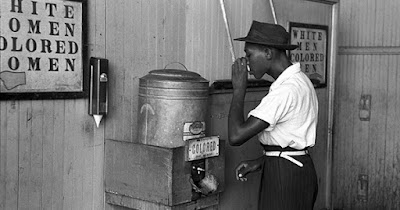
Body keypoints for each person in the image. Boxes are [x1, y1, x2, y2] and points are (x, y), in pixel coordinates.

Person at [228, 20, 319, 210]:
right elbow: (290, 139)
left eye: (249, 55)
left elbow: (236, 135)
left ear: (268, 53)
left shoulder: (286, 90)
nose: (246, 63)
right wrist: (261, 162)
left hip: (286, 177)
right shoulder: (299, 81)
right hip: (294, 168)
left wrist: (238, 90)